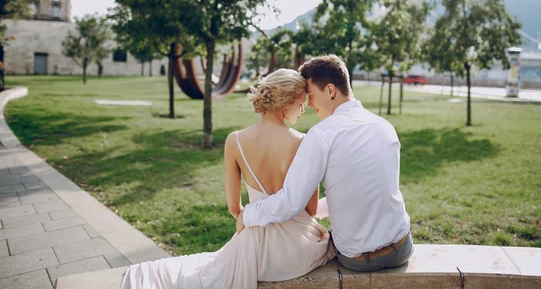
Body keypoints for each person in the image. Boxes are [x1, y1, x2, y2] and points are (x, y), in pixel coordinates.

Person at [120, 69, 333, 289]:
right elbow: (311, 210)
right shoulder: (303, 142)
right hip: (298, 249)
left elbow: (234, 208)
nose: (302, 110)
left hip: (255, 249)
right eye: (299, 103)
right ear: (285, 102)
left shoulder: (235, 141)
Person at [238, 55, 413, 272]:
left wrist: (248, 214)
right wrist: (318, 210)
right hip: (401, 249)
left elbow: (290, 202)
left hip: (356, 258)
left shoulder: (321, 135)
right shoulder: (385, 126)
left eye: (310, 96)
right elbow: (367, 190)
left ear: (330, 91)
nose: (309, 104)